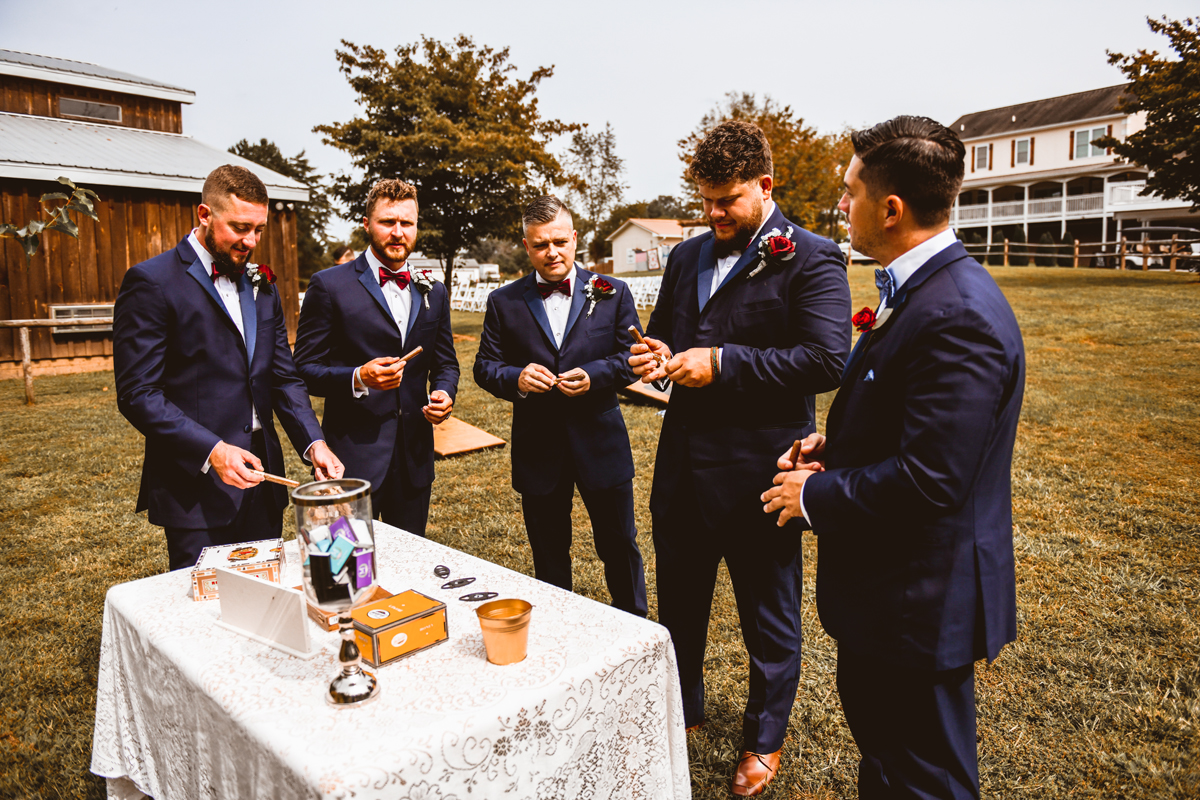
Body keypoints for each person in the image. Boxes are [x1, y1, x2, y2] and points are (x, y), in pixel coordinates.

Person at [762, 116, 1026, 799]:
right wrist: (839, 446)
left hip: (921, 605)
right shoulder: (917, 289)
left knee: (923, 780)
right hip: (892, 597)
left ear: (891, 207)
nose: (840, 207)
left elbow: (933, 480)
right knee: (888, 766)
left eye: (849, 192)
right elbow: (914, 423)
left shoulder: (958, 313)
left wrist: (811, 497)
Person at [629, 120, 852, 796]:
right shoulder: (687, 256)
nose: (714, 213)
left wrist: (723, 362)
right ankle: (686, 708)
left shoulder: (811, 258)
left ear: (766, 184)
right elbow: (669, 332)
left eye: (728, 200)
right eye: (706, 200)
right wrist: (655, 354)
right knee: (681, 603)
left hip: (763, 470)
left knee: (769, 613)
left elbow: (825, 359)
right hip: (682, 467)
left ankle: (764, 736)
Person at [113, 165, 343, 571]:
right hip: (196, 485)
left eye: (259, 229)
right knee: (204, 614)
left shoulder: (261, 285)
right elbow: (138, 394)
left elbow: (282, 377)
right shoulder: (151, 282)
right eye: (239, 227)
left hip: (263, 475)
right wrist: (213, 451)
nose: (251, 241)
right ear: (204, 215)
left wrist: (314, 443)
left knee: (266, 601)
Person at [474, 196, 647, 617]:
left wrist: (596, 376)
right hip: (539, 448)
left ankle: (634, 623)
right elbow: (484, 367)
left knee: (619, 544)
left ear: (574, 239)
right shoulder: (504, 301)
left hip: (600, 443)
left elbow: (634, 358)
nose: (551, 252)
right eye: (539, 245)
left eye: (558, 241)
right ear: (526, 246)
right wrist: (516, 378)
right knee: (549, 551)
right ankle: (559, 629)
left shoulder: (612, 293)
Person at [294, 179, 458, 537]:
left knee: (410, 562)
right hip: (353, 458)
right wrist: (357, 378)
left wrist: (445, 393)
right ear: (366, 224)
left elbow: (445, 363)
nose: (398, 232)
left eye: (407, 223)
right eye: (388, 222)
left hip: (414, 456)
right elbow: (303, 370)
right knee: (347, 567)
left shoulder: (434, 290)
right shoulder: (328, 285)